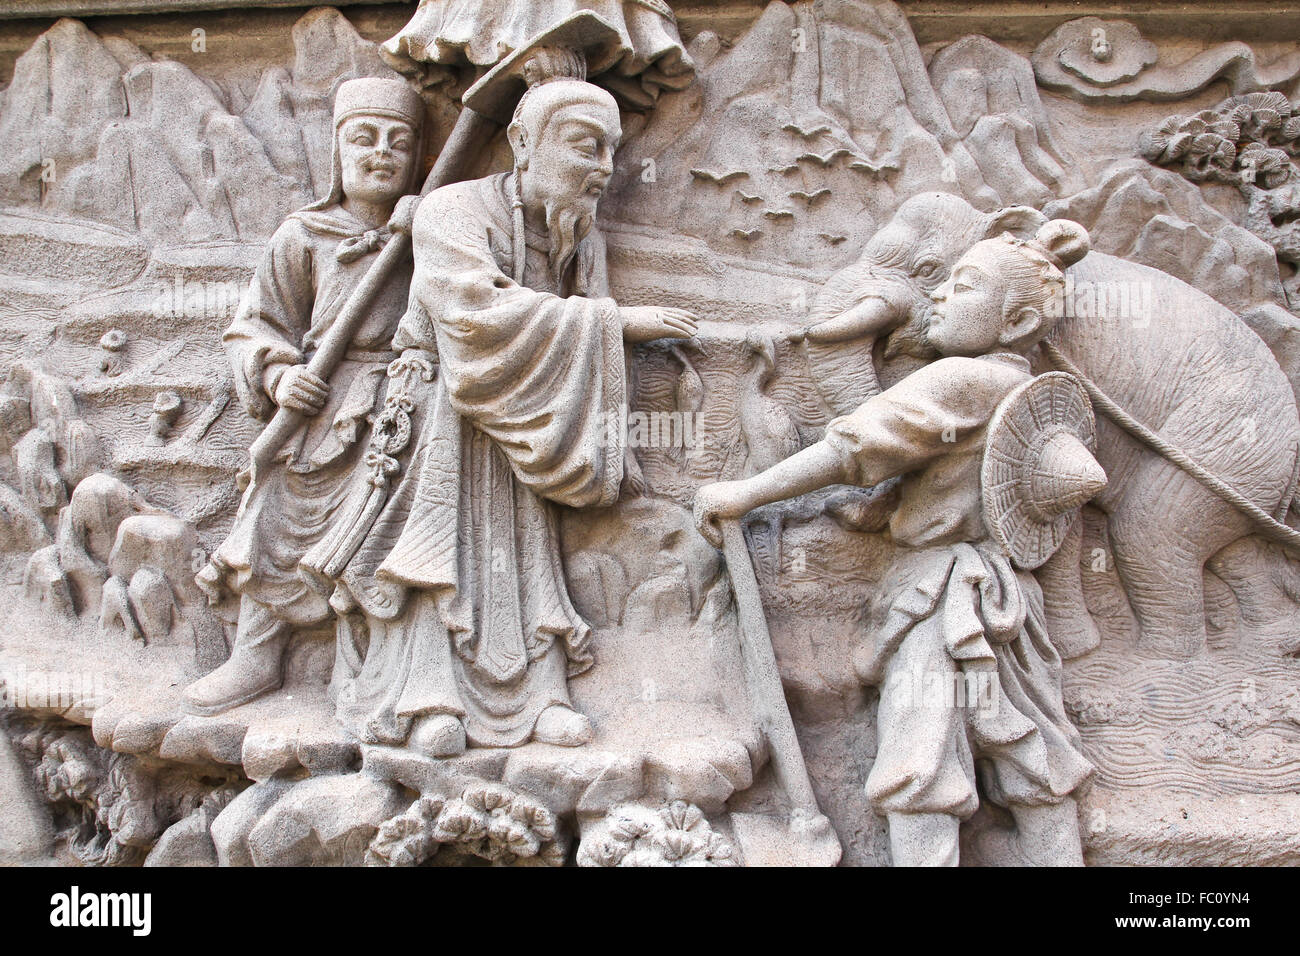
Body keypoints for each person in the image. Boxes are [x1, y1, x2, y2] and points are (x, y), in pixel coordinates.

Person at [303, 66, 697, 758]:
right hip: (441, 416)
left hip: (523, 426)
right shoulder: (452, 210)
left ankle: (542, 695)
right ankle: (426, 700)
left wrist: (600, 337)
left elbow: (577, 339)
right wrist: (615, 323)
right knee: (432, 555)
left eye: (611, 150)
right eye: (583, 146)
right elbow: (470, 309)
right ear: (522, 141)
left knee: (523, 563)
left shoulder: (583, 237)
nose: (602, 168)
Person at [694, 220, 1099, 866]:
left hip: (939, 601)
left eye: (963, 288)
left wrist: (746, 493)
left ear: (1018, 320)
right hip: (1013, 604)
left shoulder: (961, 381)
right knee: (1035, 755)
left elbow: (852, 449)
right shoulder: (1019, 392)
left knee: (921, 763)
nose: (939, 296)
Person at [183, 78, 425, 716]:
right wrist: (277, 374)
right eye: (363, 139)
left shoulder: (429, 233)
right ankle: (257, 655)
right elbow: (253, 324)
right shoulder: (304, 234)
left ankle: (364, 666)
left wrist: (428, 231)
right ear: (336, 154)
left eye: (399, 143)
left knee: (379, 529)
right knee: (276, 506)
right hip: (319, 401)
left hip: (401, 401)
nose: (380, 153)